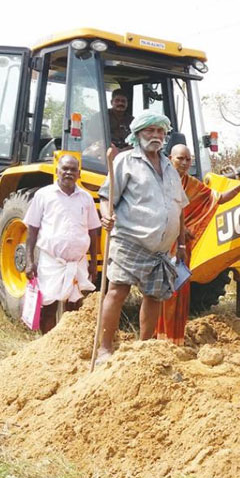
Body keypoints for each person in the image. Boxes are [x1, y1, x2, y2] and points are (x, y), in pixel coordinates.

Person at [96, 111, 188, 364]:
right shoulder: (125, 161)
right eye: (150, 131)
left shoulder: (170, 167)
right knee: (117, 291)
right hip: (130, 241)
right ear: (138, 134)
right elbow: (107, 196)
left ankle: (144, 348)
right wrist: (106, 215)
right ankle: (104, 348)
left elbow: (179, 207)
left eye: (160, 131)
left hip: (160, 249)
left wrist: (180, 243)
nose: (156, 136)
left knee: (155, 295)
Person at [156, 144, 240, 344]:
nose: (185, 163)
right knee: (161, 293)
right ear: (170, 158)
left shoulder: (191, 184)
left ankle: (174, 338)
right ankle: (157, 338)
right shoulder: (158, 182)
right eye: (180, 159)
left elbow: (218, 198)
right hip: (160, 245)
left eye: (188, 159)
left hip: (182, 250)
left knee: (179, 292)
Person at [24, 154, 100, 333]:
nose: (68, 173)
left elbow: (93, 232)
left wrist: (94, 262)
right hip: (51, 262)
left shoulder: (86, 198)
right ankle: (48, 345)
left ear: (79, 174)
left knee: (74, 307)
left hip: (78, 262)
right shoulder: (43, 195)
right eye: (65, 169)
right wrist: (29, 261)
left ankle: (68, 344)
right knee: (49, 306)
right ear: (57, 171)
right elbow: (32, 230)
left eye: (73, 170)